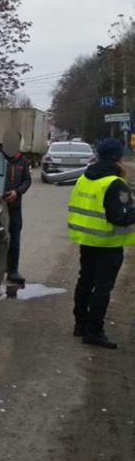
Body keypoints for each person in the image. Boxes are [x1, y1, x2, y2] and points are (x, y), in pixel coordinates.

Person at [67, 136, 135, 349]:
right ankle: (94, 330)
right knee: (102, 287)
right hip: (108, 244)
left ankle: (80, 323)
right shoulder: (115, 183)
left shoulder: (85, 177)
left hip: (87, 240)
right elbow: (119, 217)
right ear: (117, 158)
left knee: (85, 280)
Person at [0, 130, 32, 284]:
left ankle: (13, 271)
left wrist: (17, 192)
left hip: (15, 206)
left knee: (15, 239)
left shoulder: (23, 161)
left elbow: (27, 180)